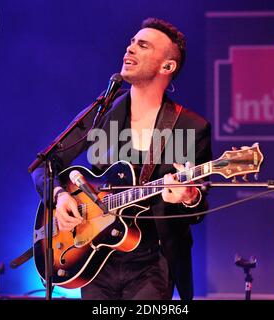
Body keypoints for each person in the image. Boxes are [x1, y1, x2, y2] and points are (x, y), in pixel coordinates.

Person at [32, 17, 212, 300]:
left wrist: (188, 196)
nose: (130, 50)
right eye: (131, 43)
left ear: (167, 66)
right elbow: (45, 165)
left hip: (154, 262)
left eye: (143, 45)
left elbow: (198, 207)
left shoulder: (191, 127)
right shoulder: (102, 112)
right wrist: (60, 197)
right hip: (94, 256)